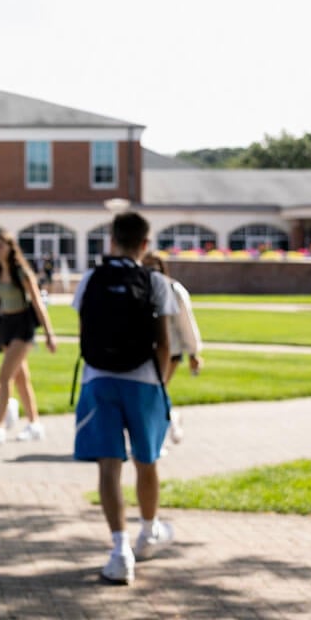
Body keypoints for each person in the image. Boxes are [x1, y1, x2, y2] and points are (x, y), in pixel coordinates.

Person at [73, 211, 177, 585]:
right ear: (145, 244)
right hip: (145, 381)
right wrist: (158, 384)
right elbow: (164, 344)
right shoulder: (156, 282)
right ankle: (148, 532)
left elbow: (85, 335)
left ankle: (120, 552)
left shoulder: (91, 279)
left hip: (99, 380)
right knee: (146, 462)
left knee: (108, 466)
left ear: (112, 239)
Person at [0, 232, 57, 443]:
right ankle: (35, 424)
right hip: (6, 326)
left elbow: (38, 303)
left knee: (4, 377)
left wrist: (49, 334)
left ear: (11, 248)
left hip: (23, 326)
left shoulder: (21, 272)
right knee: (22, 380)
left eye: (0, 246)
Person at [141, 251, 203, 447]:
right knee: (153, 393)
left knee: (156, 392)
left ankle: (158, 438)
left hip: (171, 351)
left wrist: (193, 352)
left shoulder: (174, 289)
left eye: (154, 266)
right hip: (144, 350)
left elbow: (186, 324)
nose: (151, 271)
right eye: (146, 266)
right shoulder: (139, 288)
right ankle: (171, 418)